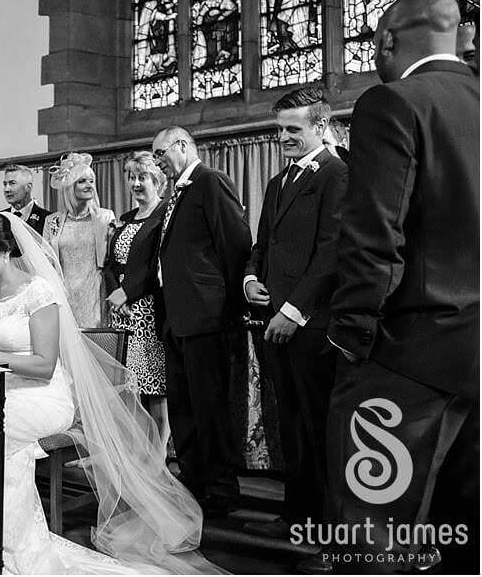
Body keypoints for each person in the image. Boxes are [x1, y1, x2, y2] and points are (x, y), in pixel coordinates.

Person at [0, 212, 213, 574]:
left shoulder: (37, 292)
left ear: (6, 249)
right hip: (0, 394)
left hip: (43, 396)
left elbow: (44, 364)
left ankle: (9, 546)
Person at [326, 0, 479, 573]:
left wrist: (349, 337)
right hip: (476, 352)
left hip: (404, 358)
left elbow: (374, 236)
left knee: (371, 533)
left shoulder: (393, 103)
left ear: (387, 41)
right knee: (463, 530)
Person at [241, 88, 347, 573]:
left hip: (313, 326)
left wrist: (295, 310)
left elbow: (332, 253)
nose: (283, 137)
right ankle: (296, 514)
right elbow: (263, 243)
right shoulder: (280, 180)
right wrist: (250, 279)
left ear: (320, 127)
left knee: (321, 426)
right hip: (274, 319)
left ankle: (331, 530)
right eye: (279, 129)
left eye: (293, 129)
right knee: (290, 425)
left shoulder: (337, 174)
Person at [151, 126, 252, 516]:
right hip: (176, 318)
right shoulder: (176, 192)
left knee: (210, 406)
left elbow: (236, 243)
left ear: (182, 146)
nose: (158, 163)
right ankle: (192, 480)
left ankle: (222, 488)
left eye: (161, 154)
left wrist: (229, 307)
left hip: (207, 317)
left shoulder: (211, 182)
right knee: (184, 406)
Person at [103, 151, 169, 430]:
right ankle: (136, 449)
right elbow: (109, 263)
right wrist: (116, 293)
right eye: (132, 177)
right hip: (122, 312)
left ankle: (159, 452)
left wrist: (128, 292)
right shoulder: (125, 217)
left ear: (157, 180)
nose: (136, 183)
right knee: (130, 386)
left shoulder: (163, 215)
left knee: (153, 385)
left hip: (148, 312)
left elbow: (159, 264)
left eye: (143, 177)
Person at [43, 153, 116, 328]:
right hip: (63, 295)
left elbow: (113, 261)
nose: (89, 185)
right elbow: (46, 262)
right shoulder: (52, 222)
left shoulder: (105, 217)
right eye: (82, 181)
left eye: (91, 181)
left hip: (94, 294)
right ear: (69, 187)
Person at [0, 163, 51, 235]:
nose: (6, 189)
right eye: (5, 184)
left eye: (12, 183)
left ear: (28, 187)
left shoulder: (47, 218)